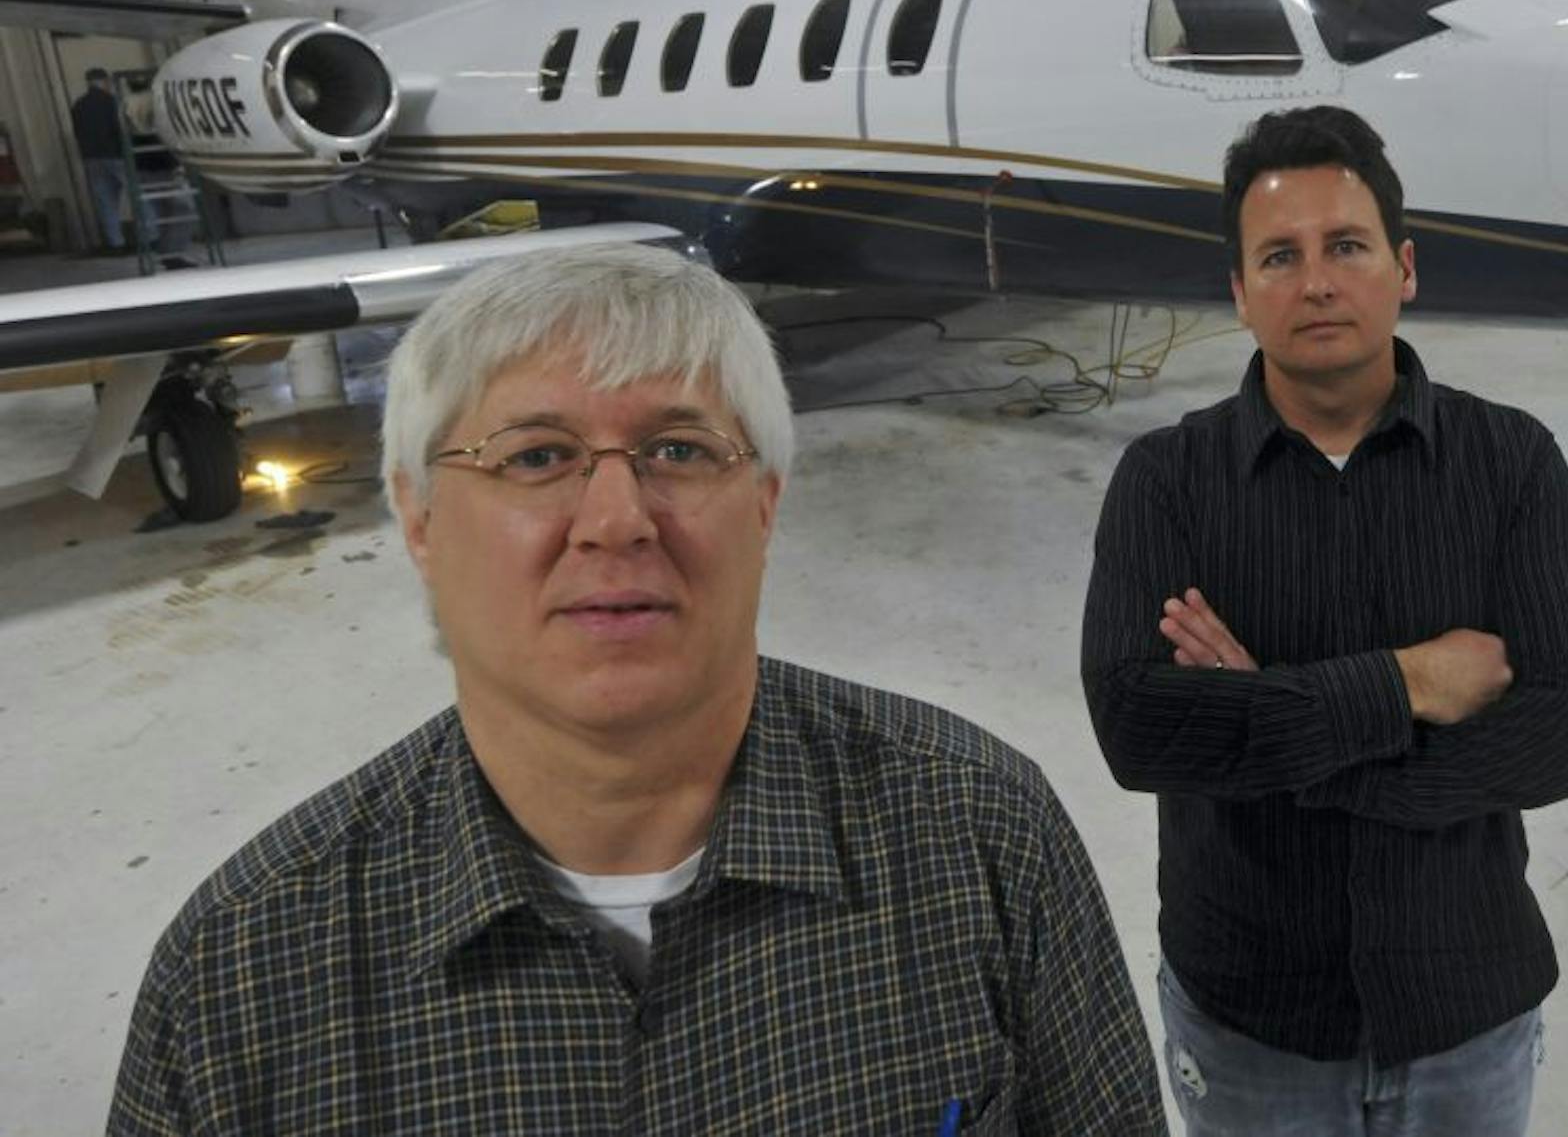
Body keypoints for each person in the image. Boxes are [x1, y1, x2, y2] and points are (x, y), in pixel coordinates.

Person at [109, 242, 1166, 1135]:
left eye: (676, 447)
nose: (616, 517)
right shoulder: (239, 976)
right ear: (418, 516)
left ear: (763, 502)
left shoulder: (983, 834)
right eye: (534, 456)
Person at [1082, 105, 1568, 1136]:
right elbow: (1139, 727)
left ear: (1404, 266)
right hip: (1252, 1020)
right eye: (1279, 255)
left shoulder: (1511, 462)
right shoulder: (1166, 482)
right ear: (1239, 293)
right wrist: (1410, 684)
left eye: (1347, 246)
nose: (1317, 280)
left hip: (1467, 1004)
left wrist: (1270, 722)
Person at [71, 68, 132, 254]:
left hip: (92, 158)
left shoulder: (78, 105)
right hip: (116, 155)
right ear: (105, 81)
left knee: (105, 202)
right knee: (138, 197)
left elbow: (78, 133)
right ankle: (152, 237)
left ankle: (116, 244)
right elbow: (120, 129)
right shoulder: (112, 102)